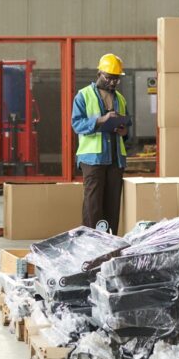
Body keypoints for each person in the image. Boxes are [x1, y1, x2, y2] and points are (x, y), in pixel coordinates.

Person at [71, 53, 129, 234]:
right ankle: (90, 241)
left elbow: (125, 127)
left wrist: (124, 132)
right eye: (109, 78)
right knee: (93, 204)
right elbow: (77, 124)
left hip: (115, 159)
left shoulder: (120, 98)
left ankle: (110, 242)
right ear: (99, 74)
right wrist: (101, 120)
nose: (112, 83)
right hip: (93, 159)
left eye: (116, 79)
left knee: (112, 204)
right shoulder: (83, 96)